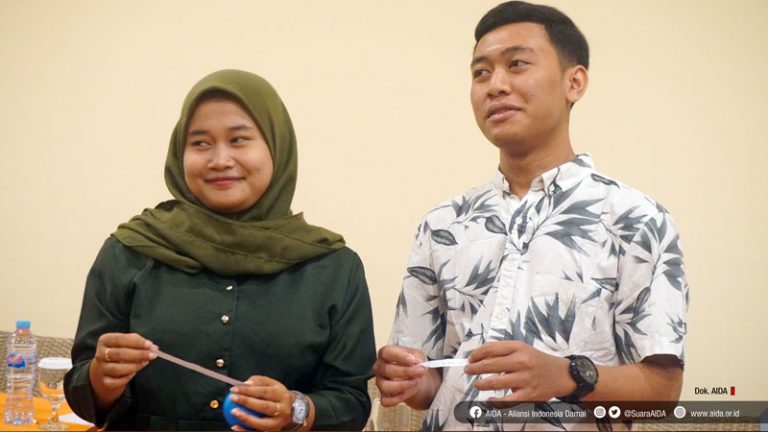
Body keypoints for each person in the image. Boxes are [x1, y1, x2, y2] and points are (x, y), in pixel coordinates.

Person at [374, 2, 689, 430]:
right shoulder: (442, 224)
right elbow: (432, 385)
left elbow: (662, 394)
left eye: (517, 64)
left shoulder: (636, 219)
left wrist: (569, 375)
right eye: (480, 72)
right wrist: (407, 380)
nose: (495, 85)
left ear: (574, 82)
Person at [64, 69, 376, 431]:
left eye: (239, 139)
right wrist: (102, 378)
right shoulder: (130, 250)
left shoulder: (334, 268)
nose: (220, 159)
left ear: (276, 147)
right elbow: (82, 392)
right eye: (200, 143)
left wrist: (297, 410)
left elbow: (352, 403)